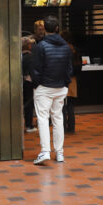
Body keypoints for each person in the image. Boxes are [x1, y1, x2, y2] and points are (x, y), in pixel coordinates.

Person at [31, 16, 72, 165]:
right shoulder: (66, 47)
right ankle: (59, 153)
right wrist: (66, 84)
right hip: (61, 87)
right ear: (57, 29)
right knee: (58, 119)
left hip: (44, 88)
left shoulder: (40, 46)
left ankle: (45, 151)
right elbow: (69, 69)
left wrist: (37, 85)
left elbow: (35, 69)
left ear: (45, 30)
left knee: (42, 118)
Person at [60, 30, 80, 134]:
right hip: (73, 80)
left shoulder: (60, 49)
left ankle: (62, 127)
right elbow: (78, 66)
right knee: (71, 105)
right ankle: (71, 127)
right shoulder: (74, 50)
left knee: (62, 105)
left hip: (62, 79)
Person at [21, 37, 36, 133]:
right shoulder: (30, 57)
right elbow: (32, 72)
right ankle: (29, 125)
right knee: (29, 104)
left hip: (22, 82)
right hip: (29, 82)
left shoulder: (20, 56)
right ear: (29, 45)